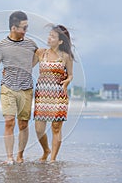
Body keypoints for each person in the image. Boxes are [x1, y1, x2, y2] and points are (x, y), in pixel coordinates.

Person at [0, 11, 38, 164]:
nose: (26, 30)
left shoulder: (31, 44)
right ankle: (9, 158)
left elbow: (40, 55)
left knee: (23, 124)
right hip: (8, 88)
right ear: (14, 28)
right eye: (24, 27)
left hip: (26, 88)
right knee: (9, 122)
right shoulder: (0, 46)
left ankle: (20, 156)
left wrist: (27, 67)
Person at [33, 24, 74, 162]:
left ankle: (52, 159)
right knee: (39, 129)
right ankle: (46, 150)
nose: (49, 38)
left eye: (52, 36)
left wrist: (67, 81)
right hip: (42, 96)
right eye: (49, 35)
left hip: (59, 96)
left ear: (60, 41)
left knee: (56, 128)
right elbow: (27, 65)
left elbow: (70, 75)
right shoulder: (41, 52)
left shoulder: (66, 56)